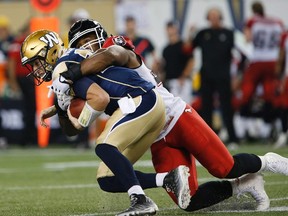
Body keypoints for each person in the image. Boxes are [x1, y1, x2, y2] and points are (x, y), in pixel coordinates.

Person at [52, 19, 288, 212]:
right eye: (80, 44)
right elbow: (77, 123)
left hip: (176, 116)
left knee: (224, 167)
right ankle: (243, 185)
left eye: (88, 39)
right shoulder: (88, 78)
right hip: (155, 135)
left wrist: (70, 74)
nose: (87, 46)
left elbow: (113, 54)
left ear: (100, 34)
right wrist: (61, 105)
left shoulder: (113, 49)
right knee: (189, 201)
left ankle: (270, 162)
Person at [20, 29, 191, 216]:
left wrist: (81, 122)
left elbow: (100, 99)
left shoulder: (62, 68)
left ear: (51, 52)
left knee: (103, 146)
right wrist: (59, 108)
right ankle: (169, 179)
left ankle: (141, 201)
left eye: (37, 61)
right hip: (148, 104)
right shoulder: (72, 58)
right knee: (107, 178)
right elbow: (95, 86)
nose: (36, 69)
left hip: (138, 100)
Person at [191, 7, 239, 146]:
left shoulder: (229, 33)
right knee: (206, 108)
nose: (213, 18)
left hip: (223, 75)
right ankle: (208, 139)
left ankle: (232, 138)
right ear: (208, 18)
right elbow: (189, 48)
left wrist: (237, 76)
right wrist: (190, 33)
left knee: (227, 107)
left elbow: (241, 53)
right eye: (211, 16)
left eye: (216, 16)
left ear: (220, 17)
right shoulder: (202, 33)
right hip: (206, 75)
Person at [233, 2, 284, 123]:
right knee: (269, 90)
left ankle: (245, 111)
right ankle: (269, 116)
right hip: (273, 60)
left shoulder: (253, 21)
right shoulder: (277, 22)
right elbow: (282, 40)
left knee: (248, 87)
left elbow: (248, 38)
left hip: (258, 59)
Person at [6, 23, 37, 146]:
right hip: (23, 79)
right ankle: (26, 138)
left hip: (31, 78)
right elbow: (11, 63)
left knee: (32, 109)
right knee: (27, 109)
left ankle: (30, 137)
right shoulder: (17, 43)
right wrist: (13, 81)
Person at [161, 20, 194, 104]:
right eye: (168, 28)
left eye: (172, 28)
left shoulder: (183, 45)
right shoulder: (166, 49)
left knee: (185, 107)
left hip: (182, 81)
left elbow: (191, 61)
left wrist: (184, 76)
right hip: (170, 82)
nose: (170, 31)